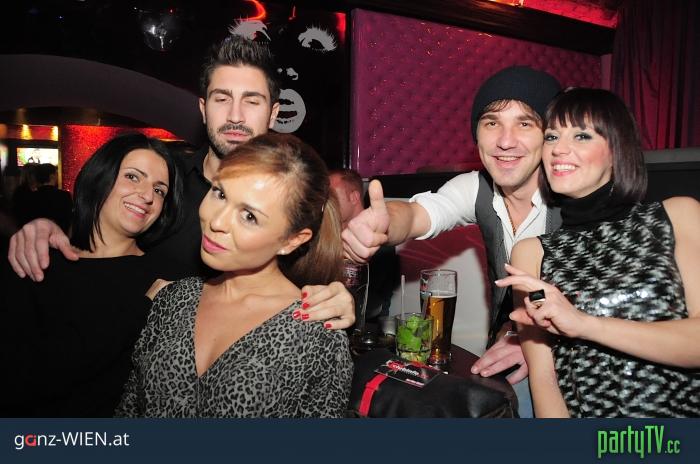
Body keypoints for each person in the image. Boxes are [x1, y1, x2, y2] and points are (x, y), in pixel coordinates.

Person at [7, 35, 355, 329]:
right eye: (222, 99)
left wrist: (337, 294)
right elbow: (99, 244)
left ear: (274, 113)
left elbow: (313, 288)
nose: (235, 116)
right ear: (203, 109)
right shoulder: (164, 179)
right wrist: (45, 228)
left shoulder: (297, 202)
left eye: (252, 101)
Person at [342, 66, 561, 416]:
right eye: (491, 122)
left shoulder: (576, 196)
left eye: (525, 123)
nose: (505, 141)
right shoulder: (477, 188)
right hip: (508, 355)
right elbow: (418, 214)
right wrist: (384, 223)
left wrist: (539, 343)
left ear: (550, 135)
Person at [116, 133, 353, 418]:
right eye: (220, 194)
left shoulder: (316, 333)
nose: (216, 221)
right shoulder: (173, 299)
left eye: (249, 216)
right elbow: (130, 409)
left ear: (292, 240)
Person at [496, 88, 700, 417]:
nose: (558, 149)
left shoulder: (678, 216)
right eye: (551, 137)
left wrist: (584, 324)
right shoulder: (531, 253)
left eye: (581, 135)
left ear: (617, 149)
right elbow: (545, 380)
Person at [0, 133, 182, 416]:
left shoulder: (166, 279)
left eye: (159, 190)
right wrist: (137, 313)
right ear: (100, 178)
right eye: (133, 177)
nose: (148, 196)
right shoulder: (37, 260)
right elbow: (19, 380)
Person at [330, 168, 398, 321]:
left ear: (354, 197)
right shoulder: (327, 233)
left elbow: (371, 302)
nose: (326, 202)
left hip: (366, 326)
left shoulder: (377, 238)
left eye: (331, 196)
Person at [25, 163, 73, 233]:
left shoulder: (30, 197)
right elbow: (69, 220)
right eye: (56, 173)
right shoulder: (64, 196)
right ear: (52, 176)